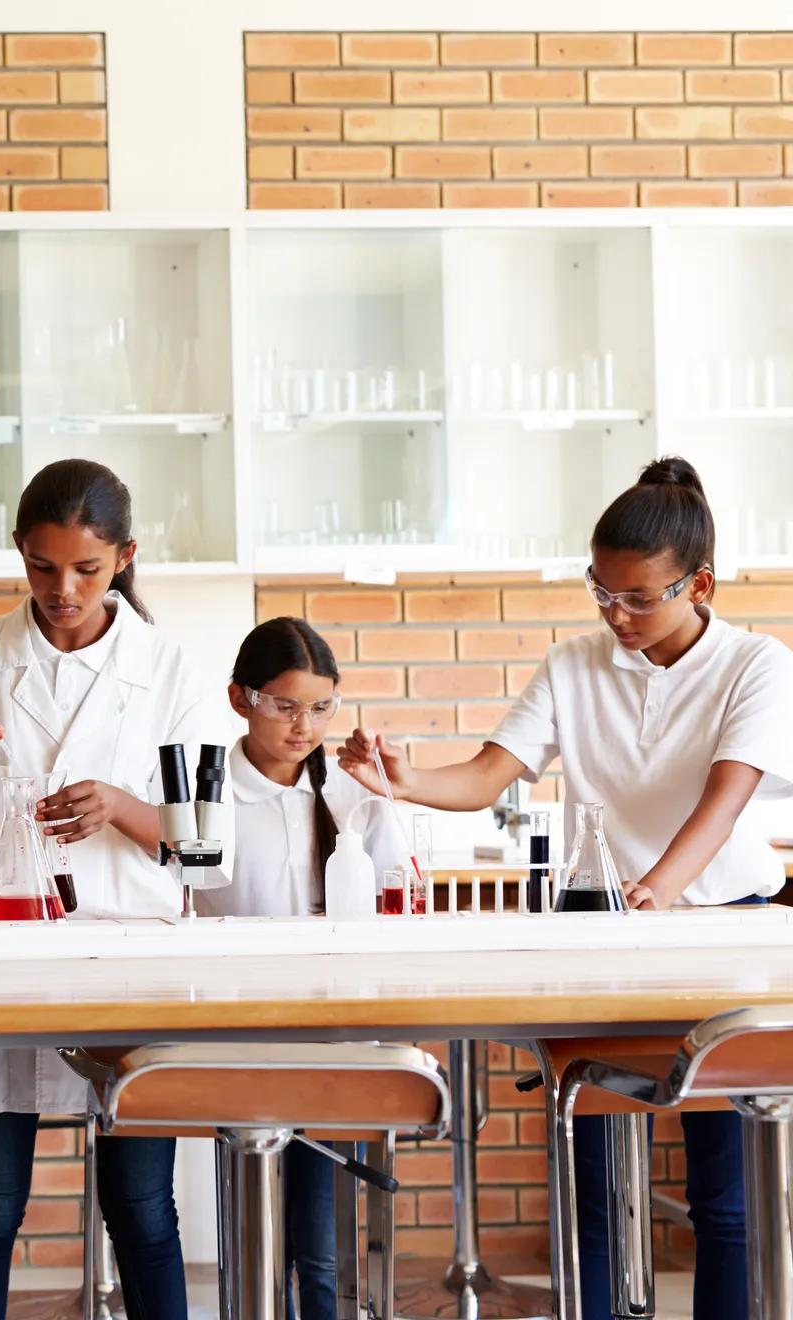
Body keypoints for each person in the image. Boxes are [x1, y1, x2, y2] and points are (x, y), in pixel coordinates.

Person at [339, 456, 793, 1320]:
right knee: (588, 1169)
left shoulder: (756, 665)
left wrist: (654, 889)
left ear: (698, 584)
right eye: (601, 592)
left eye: (637, 597)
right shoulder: (574, 664)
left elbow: (724, 795)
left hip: (723, 931)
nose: (615, 614)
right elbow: (485, 777)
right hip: (611, 940)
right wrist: (403, 778)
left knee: (722, 1191)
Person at [0, 458, 229, 1320]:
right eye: (41, 566)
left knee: (141, 1205)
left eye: (86, 569)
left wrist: (119, 807)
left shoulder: (168, 669)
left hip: (127, 959)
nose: (61, 588)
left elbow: (206, 845)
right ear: (18, 554)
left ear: (125, 558)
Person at [200, 616, 408, 1317]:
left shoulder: (349, 791)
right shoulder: (209, 792)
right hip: (237, 1028)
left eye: (321, 708)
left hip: (330, 1026)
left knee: (318, 1234)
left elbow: (398, 888)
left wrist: (385, 791)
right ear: (241, 699)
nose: (303, 726)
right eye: (284, 706)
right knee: (250, 1217)